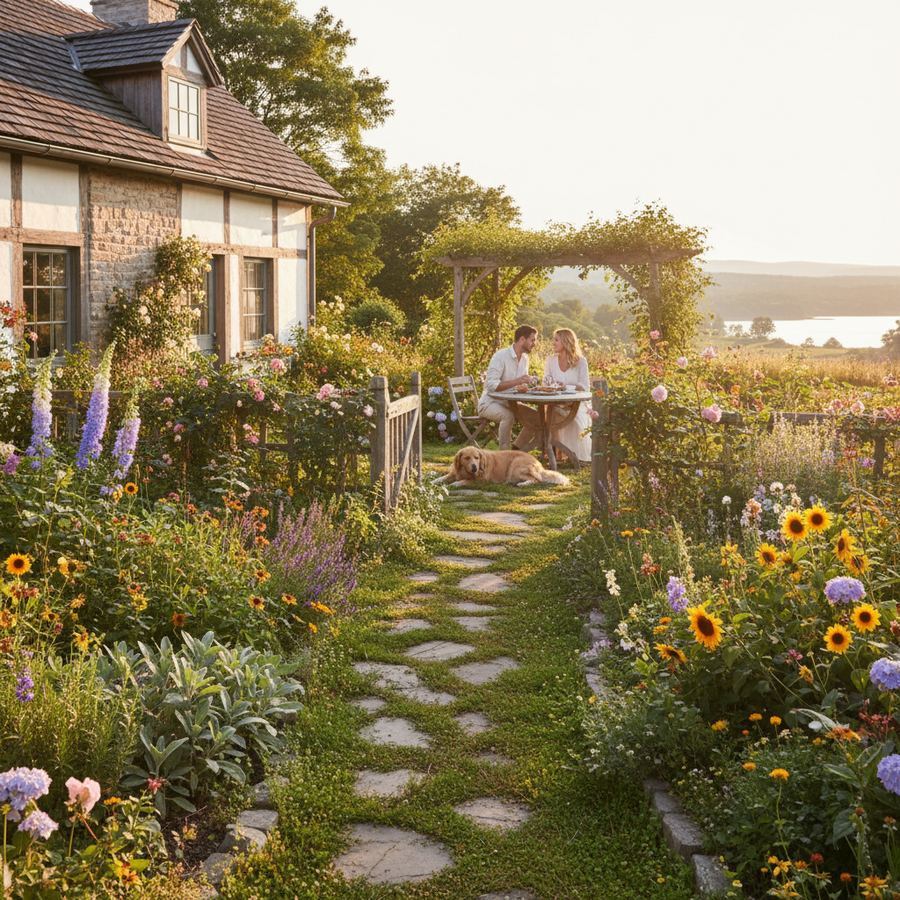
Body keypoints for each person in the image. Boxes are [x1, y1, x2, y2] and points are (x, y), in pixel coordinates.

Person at [477, 325, 542, 451]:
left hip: (510, 403)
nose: (535, 343)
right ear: (522, 339)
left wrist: (524, 386)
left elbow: (519, 384)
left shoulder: (525, 358)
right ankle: (504, 454)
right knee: (508, 416)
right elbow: (491, 385)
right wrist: (517, 381)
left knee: (537, 418)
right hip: (489, 403)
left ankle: (516, 450)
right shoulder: (500, 356)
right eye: (532, 340)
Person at [543, 327, 591, 464]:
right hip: (556, 403)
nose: (553, 343)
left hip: (576, 405)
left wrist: (566, 386)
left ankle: (572, 455)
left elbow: (585, 387)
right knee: (551, 413)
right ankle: (556, 454)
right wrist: (551, 383)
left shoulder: (581, 361)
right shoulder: (550, 360)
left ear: (566, 341)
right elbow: (545, 381)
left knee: (576, 422)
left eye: (556, 340)